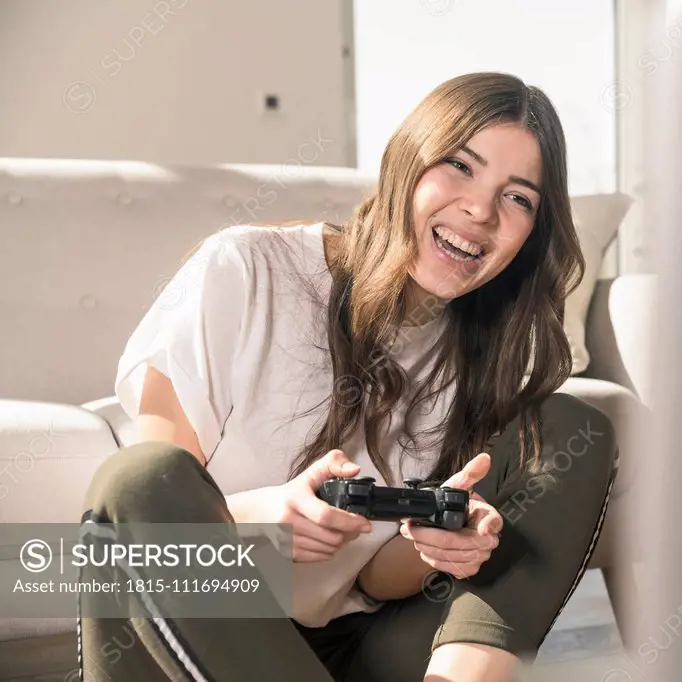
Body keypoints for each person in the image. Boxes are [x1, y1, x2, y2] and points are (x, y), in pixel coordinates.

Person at [77, 72, 619, 682]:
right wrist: (260, 518)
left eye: (518, 197)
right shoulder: (247, 270)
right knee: (135, 478)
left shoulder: (481, 349)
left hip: (353, 647)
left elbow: (372, 577)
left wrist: (434, 548)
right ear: (405, 163)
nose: (480, 210)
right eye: (461, 166)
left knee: (574, 429)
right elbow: (151, 508)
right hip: (205, 625)